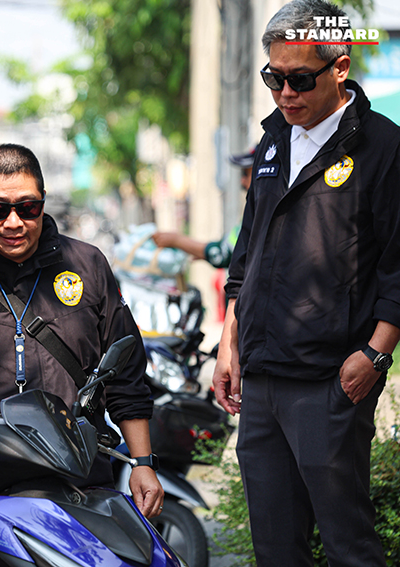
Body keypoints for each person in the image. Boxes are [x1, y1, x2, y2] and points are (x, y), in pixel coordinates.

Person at [212, 1, 400, 565]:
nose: (285, 94)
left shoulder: (384, 147)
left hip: (330, 380)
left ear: (340, 66)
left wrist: (375, 352)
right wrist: (228, 344)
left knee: (348, 546)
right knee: (274, 549)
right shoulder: (272, 142)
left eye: (299, 79)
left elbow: (399, 260)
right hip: (263, 378)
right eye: (274, 79)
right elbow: (249, 249)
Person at [0, 143, 164, 518]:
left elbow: (126, 372)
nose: (15, 222)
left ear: (44, 201)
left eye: (28, 207)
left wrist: (142, 462)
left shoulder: (87, 264)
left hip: (81, 480)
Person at [151, 147, 255, 269]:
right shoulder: (255, 210)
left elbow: (224, 253)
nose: (242, 181)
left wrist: (176, 241)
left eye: (246, 174)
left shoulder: (262, 213)